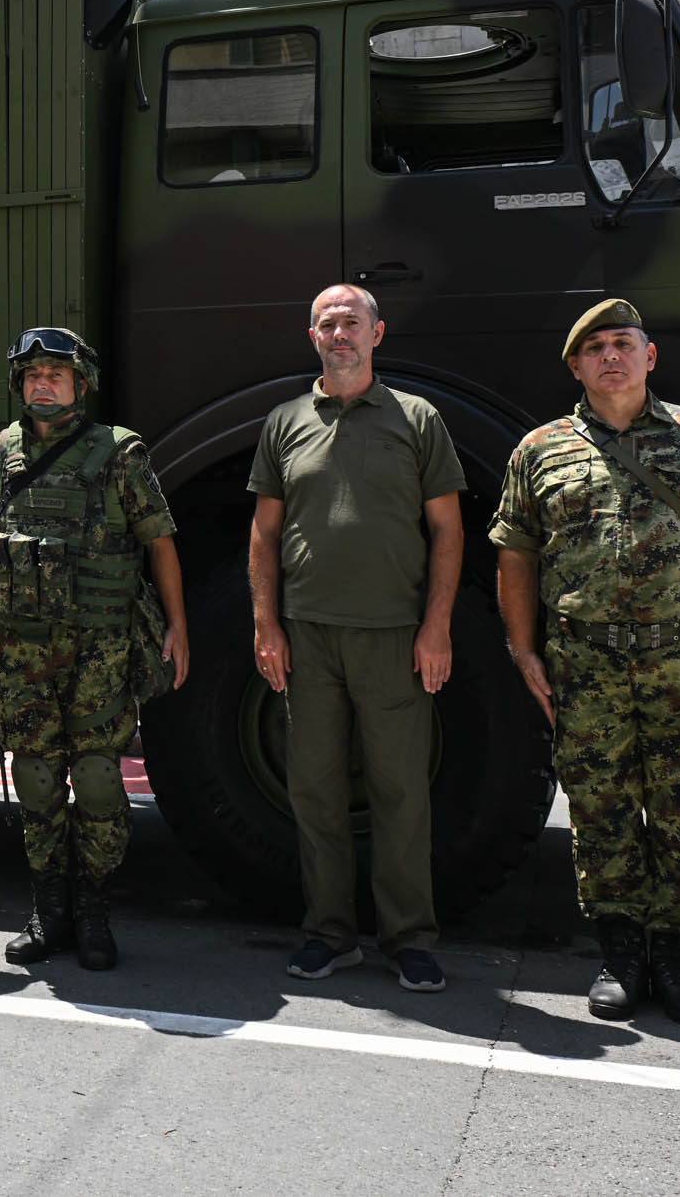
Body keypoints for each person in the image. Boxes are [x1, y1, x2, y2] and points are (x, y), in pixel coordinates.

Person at [492, 299, 680, 1027]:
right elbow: (516, 554)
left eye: (623, 343)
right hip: (586, 664)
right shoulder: (539, 450)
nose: (610, 357)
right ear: (576, 367)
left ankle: (677, 959)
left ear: (649, 357)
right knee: (601, 811)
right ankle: (620, 956)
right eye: (594, 348)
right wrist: (523, 649)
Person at [248, 285, 465, 994]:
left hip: (395, 635)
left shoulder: (418, 418)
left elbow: (447, 529)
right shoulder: (285, 422)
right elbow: (265, 533)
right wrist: (266, 624)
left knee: (401, 793)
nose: (340, 332)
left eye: (352, 321)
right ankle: (329, 933)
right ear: (311, 336)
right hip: (308, 635)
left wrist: (436, 625)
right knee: (314, 790)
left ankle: (409, 939)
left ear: (377, 333)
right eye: (328, 323)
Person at [0, 326, 187, 971]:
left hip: (100, 647)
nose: (43, 384)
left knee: (95, 777)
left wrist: (177, 625)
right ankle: (49, 909)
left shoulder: (118, 452)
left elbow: (159, 542)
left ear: (80, 385)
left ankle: (94, 910)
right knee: (36, 777)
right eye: (33, 375)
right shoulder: (0, 454)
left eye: (55, 375)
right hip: (23, 648)